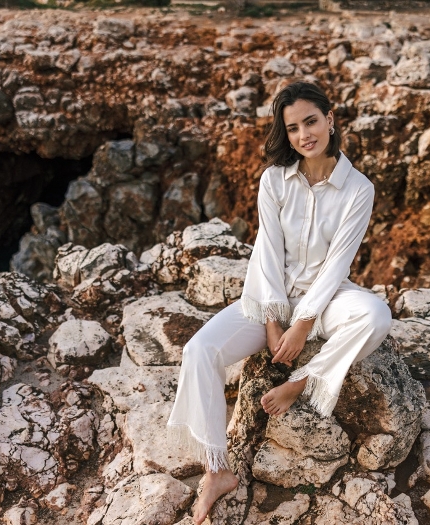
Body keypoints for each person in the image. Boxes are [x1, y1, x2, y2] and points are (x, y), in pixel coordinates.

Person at [167, 81, 392, 525]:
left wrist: (302, 326)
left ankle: (304, 382)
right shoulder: (274, 180)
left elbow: (336, 265)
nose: (304, 134)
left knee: (375, 315)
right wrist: (272, 321)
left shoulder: (358, 189)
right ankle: (217, 471)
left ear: (331, 119)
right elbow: (266, 253)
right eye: (292, 128)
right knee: (199, 351)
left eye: (311, 121)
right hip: (270, 295)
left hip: (326, 298)